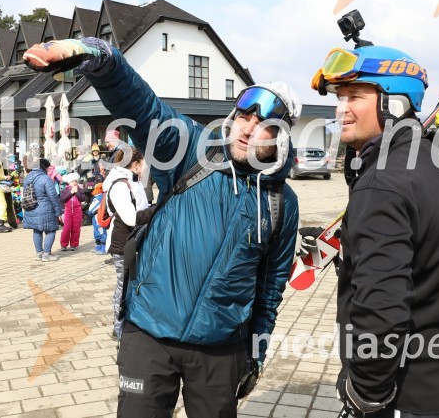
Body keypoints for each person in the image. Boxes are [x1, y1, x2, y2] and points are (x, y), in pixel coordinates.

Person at [24, 37, 300, 418]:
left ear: (281, 136)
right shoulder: (193, 150)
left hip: (221, 348)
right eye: (243, 116)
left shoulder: (281, 202)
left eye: (263, 124)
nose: (247, 129)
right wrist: (105, 61)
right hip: (150, 332)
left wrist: (256, 355)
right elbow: (144, 110)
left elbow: (270, 290)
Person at [310, 45, 439, 417]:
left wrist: (367, 393)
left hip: (409, 395)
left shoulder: (383, 184)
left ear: (395, 103)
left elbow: (381, 310)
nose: (341, 109)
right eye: (340, 98)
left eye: (355, 96)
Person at [103, 148, 151, 339]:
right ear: (136, 164)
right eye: (145, 162)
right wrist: (158, 209)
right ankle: (119, 327)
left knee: (135, 285)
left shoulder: (134, 181)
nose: (148, 166)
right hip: (123, 244)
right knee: (124, 286)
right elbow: (131, 218)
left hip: (137, 241)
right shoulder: (120, 185)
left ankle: (133, 324)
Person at [23, 156, 62, 262]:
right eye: (48, 168)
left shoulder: (28, 177)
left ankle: (39, 253)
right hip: (46, 209)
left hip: (32, 208)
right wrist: (58, 211)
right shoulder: (46, 179)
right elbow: (53, 196)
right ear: (44, 167)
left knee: (37, 230)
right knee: (51, 230)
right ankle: (46, 254)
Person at [59, 172, 86, 251]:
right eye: (72, 182)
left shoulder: (80, 189)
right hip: (68, 211)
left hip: (77, 211)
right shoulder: (65, 190)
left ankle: (74, 244)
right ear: (68, 182)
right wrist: (71, 192)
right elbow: (62, 199)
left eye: (75, 181)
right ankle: (63, 244)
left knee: (76, 229)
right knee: (66, 228)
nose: (74, 183)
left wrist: (76, 191)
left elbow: (82, 198)